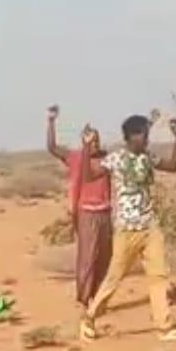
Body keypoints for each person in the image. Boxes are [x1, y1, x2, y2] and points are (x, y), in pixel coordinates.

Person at [80, 113, 176, 342]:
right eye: (143, 134)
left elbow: (172, 166)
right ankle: (89, 317)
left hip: (150, 226)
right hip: (127, 229)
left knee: (158, 276)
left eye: (147, 134)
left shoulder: (147, 157)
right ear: (131, 136)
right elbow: (89, 176)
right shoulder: (116, 158)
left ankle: (164, 327)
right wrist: (86, 148)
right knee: (114, 277)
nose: (146, 139)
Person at [46, 105, 113, 310]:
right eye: (91, 141)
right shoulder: (75, 157)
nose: (95, 144)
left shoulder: (107, 159)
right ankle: (84, 299)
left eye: (96, 140)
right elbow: (52, 147)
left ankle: (98, 297)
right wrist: (51, 122)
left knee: (105, 257)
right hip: (86, 212)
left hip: (105, 212)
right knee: (87, 257)